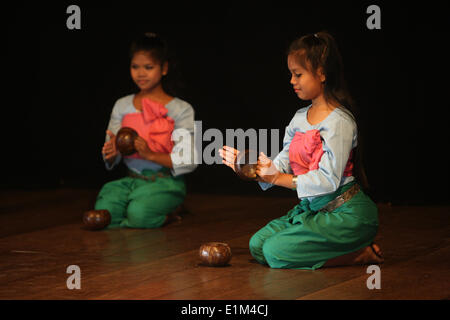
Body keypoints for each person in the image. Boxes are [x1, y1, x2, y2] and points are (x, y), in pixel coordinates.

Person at [219, 31, 383, 270]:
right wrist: (250, 167)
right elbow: (284, 161)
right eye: (291, 74)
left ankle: (358, 255)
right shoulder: (299, 118)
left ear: (323, 73)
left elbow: (328, 180)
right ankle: (319, 243)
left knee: (275, 253)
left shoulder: (340, 122)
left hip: (345, 214)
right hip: (313, 210)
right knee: (258, 246)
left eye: (298, 74)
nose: (292, 81)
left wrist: (278, 178)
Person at [95, 32, 197, 229]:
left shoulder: (181, 109)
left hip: (165, 182)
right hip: (131, 179)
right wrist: (111, 153)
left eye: (148, 67)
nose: (141, 73)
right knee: (105, 213)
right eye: (135, 67)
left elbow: (188, 161)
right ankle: (136, 207)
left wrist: (149, 154)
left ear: (164, 68)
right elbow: (112, 156)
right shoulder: (122, 105)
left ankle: (168, 211)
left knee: (140, 216)